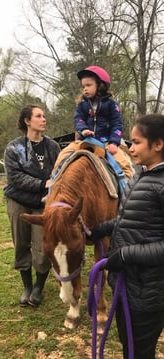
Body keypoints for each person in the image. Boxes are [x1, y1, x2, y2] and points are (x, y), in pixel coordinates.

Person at [89, 113, 164, 359]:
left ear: (158, 144)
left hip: (149, 291)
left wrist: (127, 254)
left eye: (136, 142)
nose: (130, 149)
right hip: (128, 285)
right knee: (128, 345)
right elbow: (130, 222)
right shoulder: (140, 176)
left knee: (140, 351)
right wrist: (101, 229)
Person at [4, 104, 60, 307]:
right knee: (21, 243)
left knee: (43, 246)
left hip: (43, 204)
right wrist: (42, 183)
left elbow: (58, 172)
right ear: (27, 121)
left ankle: (39, 287)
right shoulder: (13, 148)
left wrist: (52, 184)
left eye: (44, 116)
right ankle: (27, 286)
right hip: (17, 201)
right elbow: (14, 177)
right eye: (38, 116)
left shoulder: (53, 147)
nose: (43, 119)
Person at [74, 65, 134, 180]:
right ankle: (53, 186)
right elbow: (78, 119)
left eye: (88, 85)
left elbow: (117, 124)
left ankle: (126, 192)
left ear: (100, 85)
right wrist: (83, 130)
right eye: (83, 86)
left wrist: (113, 143)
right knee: (63, 157)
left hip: (106, 142)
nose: (85, 89)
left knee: (124, 164)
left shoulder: (111, 105)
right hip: (85, 141)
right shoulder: (82, 105)